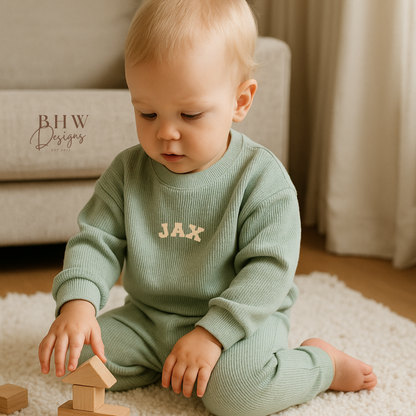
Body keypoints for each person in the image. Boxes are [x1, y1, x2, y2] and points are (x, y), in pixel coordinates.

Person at [38, 1, 377, 415]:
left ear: (241, 101)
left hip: (240, 323)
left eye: (190, 114)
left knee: (236, 394)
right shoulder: (128, 172)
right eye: (147, 112)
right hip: (150, 318)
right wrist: (78, 305)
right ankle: (176, 365)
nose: (165, 132)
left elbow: (268, 274)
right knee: (77, 359)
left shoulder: (262, 180)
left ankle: (322, 363)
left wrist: (211, 336)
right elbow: (96, 241)